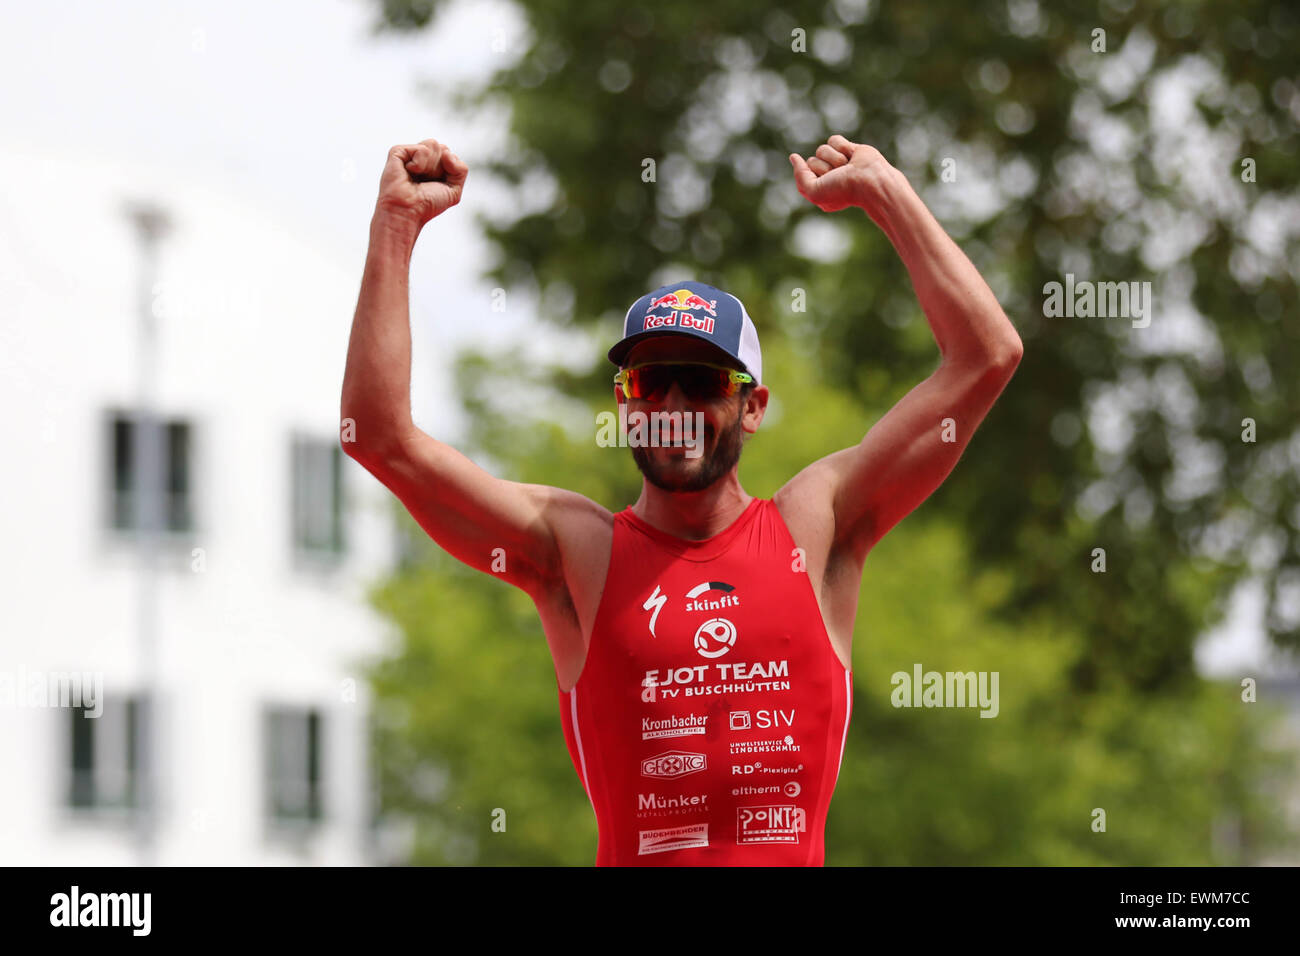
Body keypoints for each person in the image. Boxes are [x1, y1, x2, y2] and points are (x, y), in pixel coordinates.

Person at [340, 135, 1023, 865]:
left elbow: (987, 355)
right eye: (649, 381)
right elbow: (379, 436)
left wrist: (886, 192)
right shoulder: (575, 549)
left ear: (753, 407)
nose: (672, 403)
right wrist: (395, 225)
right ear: (625, 402)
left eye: (701, 383)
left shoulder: (816, 526)